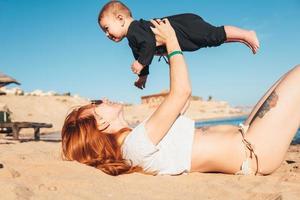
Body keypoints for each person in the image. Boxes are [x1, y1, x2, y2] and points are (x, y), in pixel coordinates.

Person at [62, 18, 299, 176]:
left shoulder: (138, 138)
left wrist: (166, 51)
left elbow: (182, 102)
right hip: (254, 148)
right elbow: (181, 92)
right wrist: (172, 40)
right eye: (96, 104)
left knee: (292, 74)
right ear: (101, 123)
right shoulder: (136, 145)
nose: (102, 98)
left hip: (247, 135)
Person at [98, 1, 260, 89]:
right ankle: (241, 39)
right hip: (184, 30)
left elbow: (148, 45)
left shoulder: (135, 29)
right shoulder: (133, 39)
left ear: (120, 19)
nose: (106, 34)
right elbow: (144, 54)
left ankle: (246, 34)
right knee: (212, 41)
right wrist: (142, 76)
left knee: (214, 34)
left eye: (106, 28)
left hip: (185, 25)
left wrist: (140, 63)